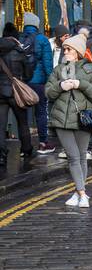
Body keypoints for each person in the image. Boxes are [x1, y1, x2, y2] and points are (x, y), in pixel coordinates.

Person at [45, 33, 92, 209]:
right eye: (64, 49)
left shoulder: (91, 70)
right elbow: (48, 92)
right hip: (62, 119)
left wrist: (81, 84)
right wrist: (60, 86)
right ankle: (82, 194)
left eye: (69, 49)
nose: (66, 51)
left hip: (82, 119)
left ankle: (78, 193)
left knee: (81, 157)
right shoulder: (59, 69)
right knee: (73, 157)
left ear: (78, 52)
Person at [0, 21, 35, 172]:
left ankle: (1, 155)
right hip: (16, 93)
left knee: (0, 126)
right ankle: (26, 149)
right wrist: (21, 81)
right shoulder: (20, 52)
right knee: (22, 122)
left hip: (0, 92)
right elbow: (28, 73)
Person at [19, 11, 55, 153]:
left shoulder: (19, 39)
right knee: (40, 113)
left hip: (23, 83)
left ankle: (24, 147)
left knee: (22, 114)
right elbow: (47, 64)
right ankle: (43, 143)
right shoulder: (42, 39)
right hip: (39, 83)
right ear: (36, 25)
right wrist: (50, 80)